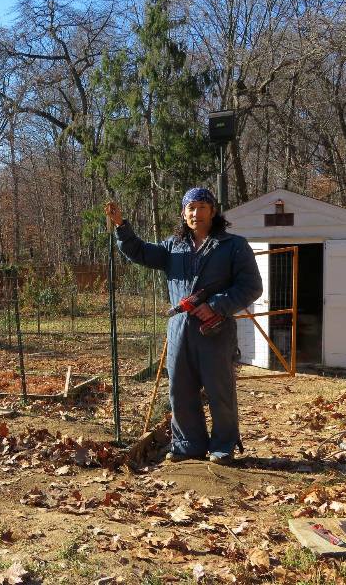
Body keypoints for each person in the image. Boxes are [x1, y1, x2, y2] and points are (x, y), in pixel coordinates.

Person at [104, 188, 262, 465]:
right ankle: (188, 445)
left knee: (219, 391)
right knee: (181, 389)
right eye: (190, 208)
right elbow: (140, 251)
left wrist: (216, 305)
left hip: (215, 330)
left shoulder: (233, 246)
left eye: (202, 207)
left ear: (213, 211)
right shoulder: (172, 247)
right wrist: (121, 226)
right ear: (183, 213)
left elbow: (251, 287)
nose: (195, 213)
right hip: (179, 331)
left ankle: (223, 447)